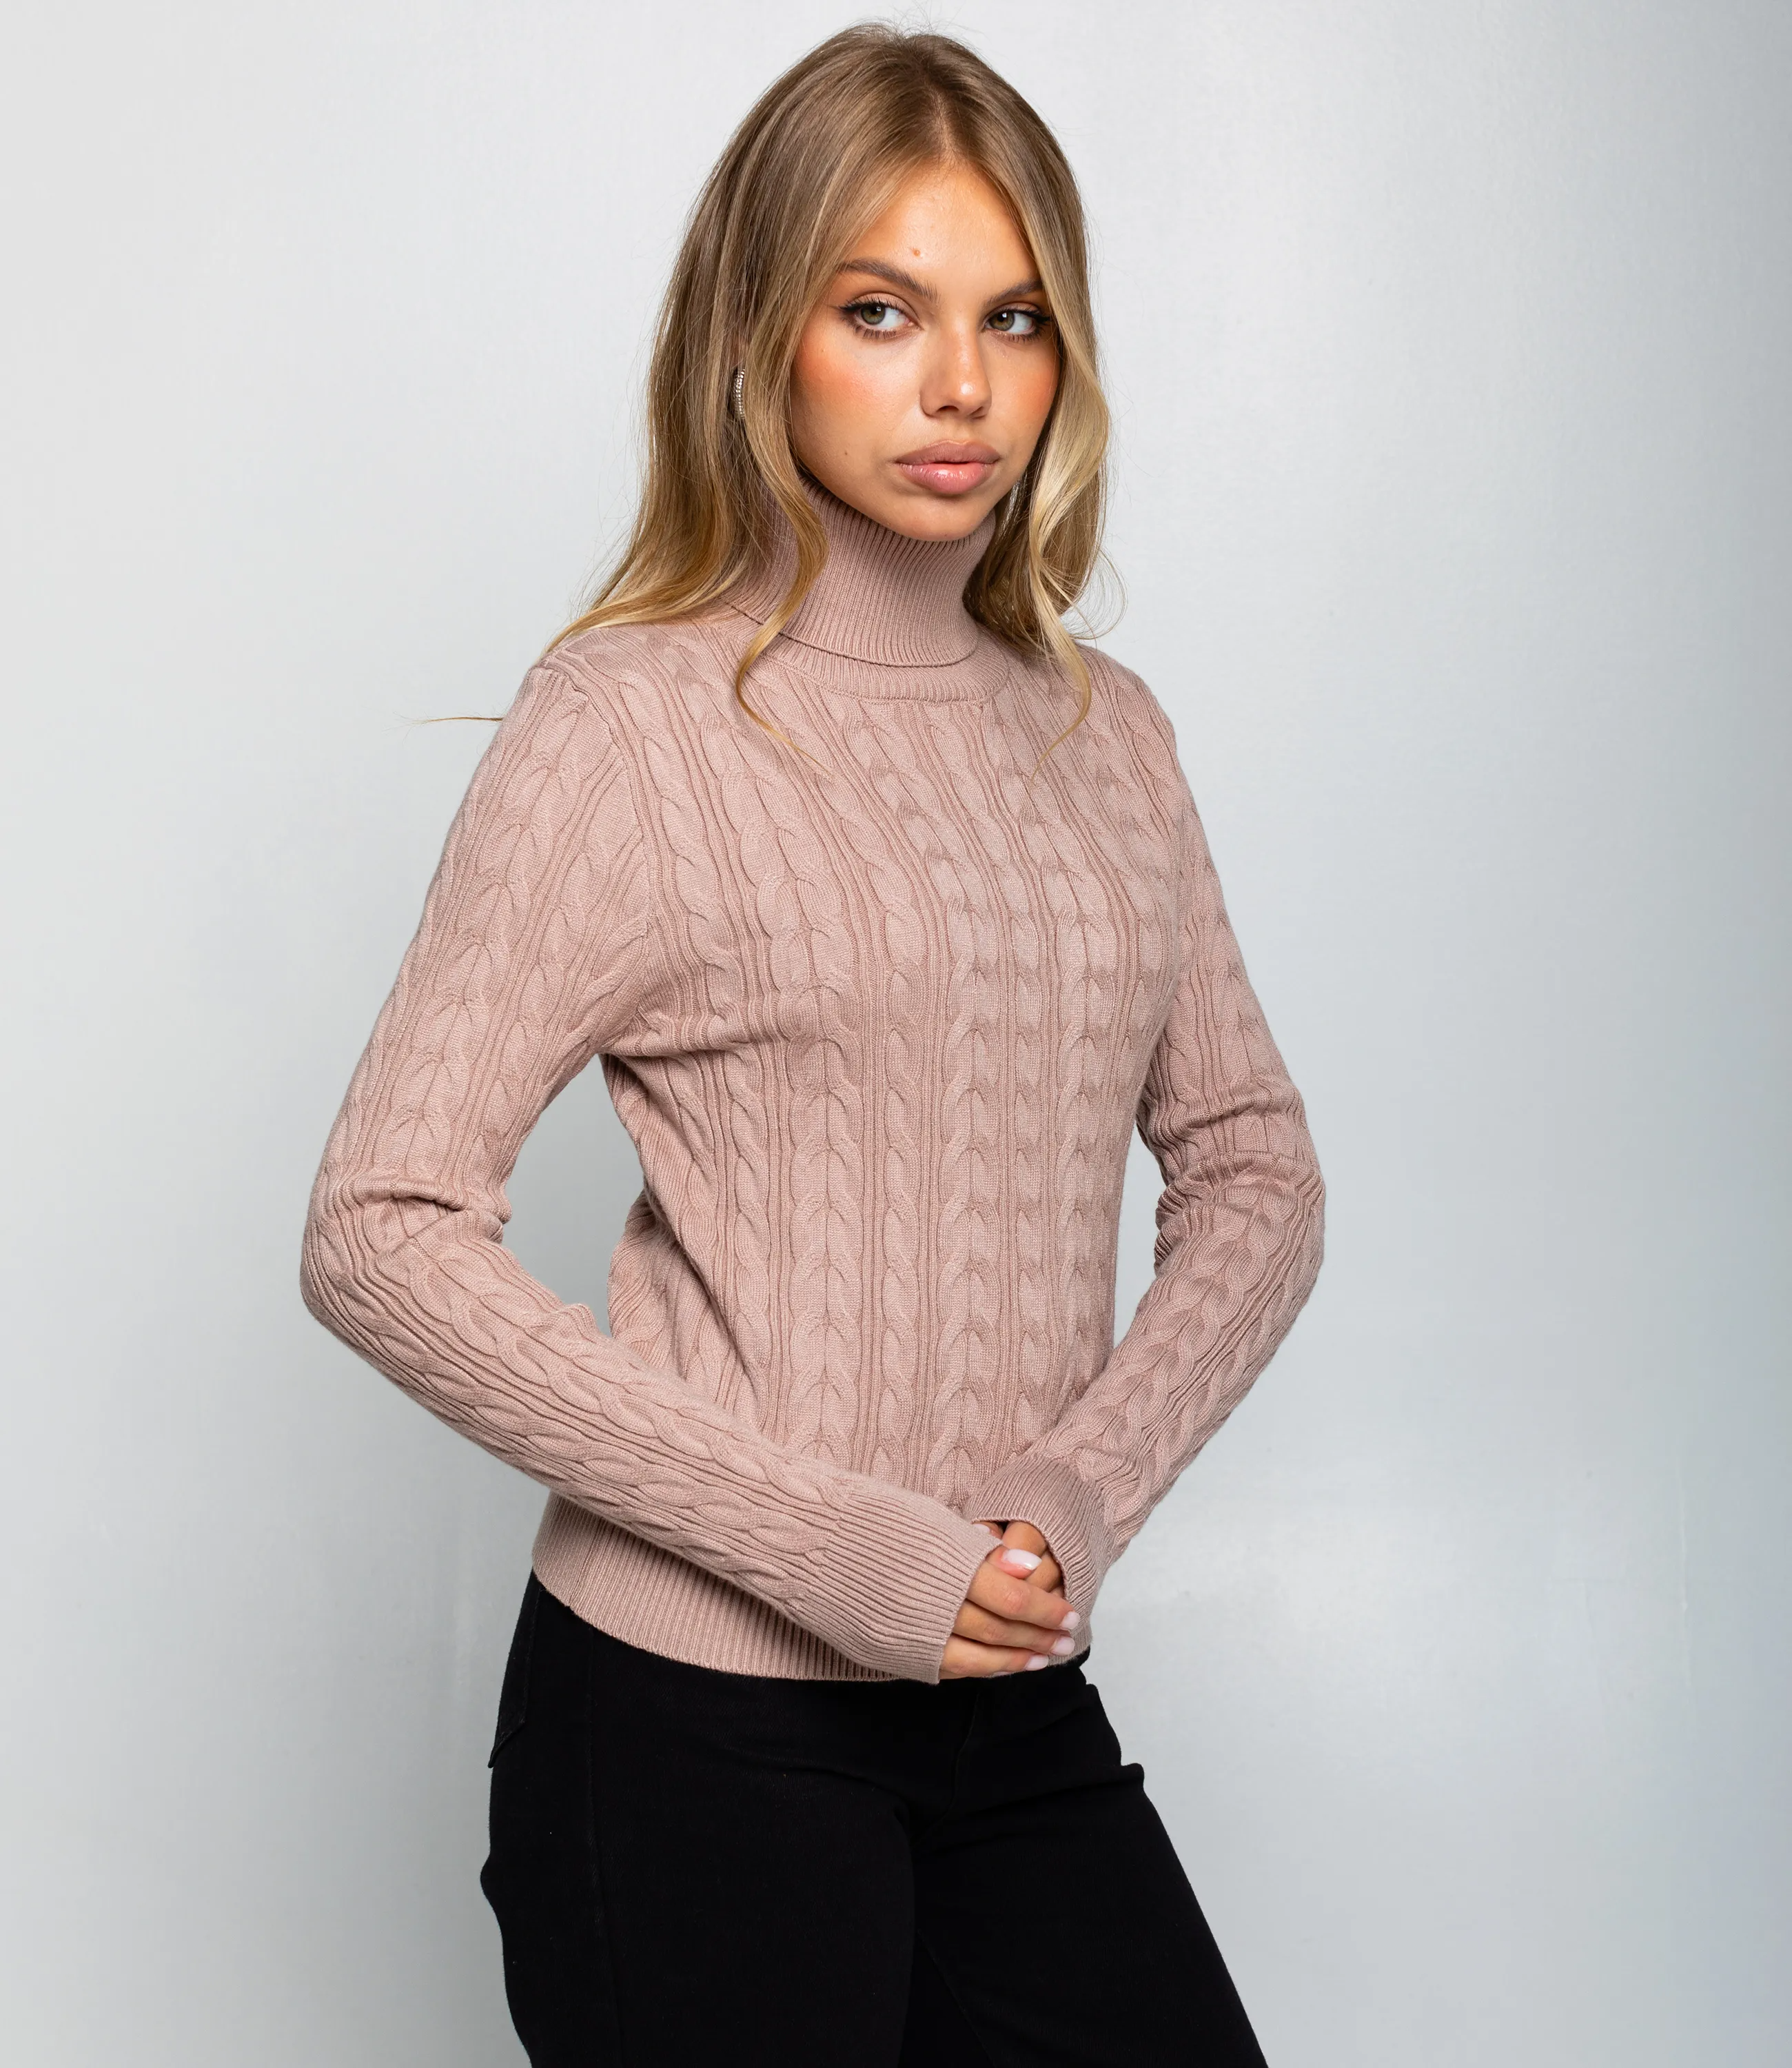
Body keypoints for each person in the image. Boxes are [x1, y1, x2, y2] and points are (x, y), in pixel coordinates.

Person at [299, 23, 1325, 2066]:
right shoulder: (633, 727)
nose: (962, 385)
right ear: (758, 331)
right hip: (690, 1733)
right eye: (881, 310)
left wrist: (1074, 1497)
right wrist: (846, 1550)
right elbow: (378, 1229)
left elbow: (1255, 1168)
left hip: (1010, 1705)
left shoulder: (1105, 736)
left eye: (1013, 317)